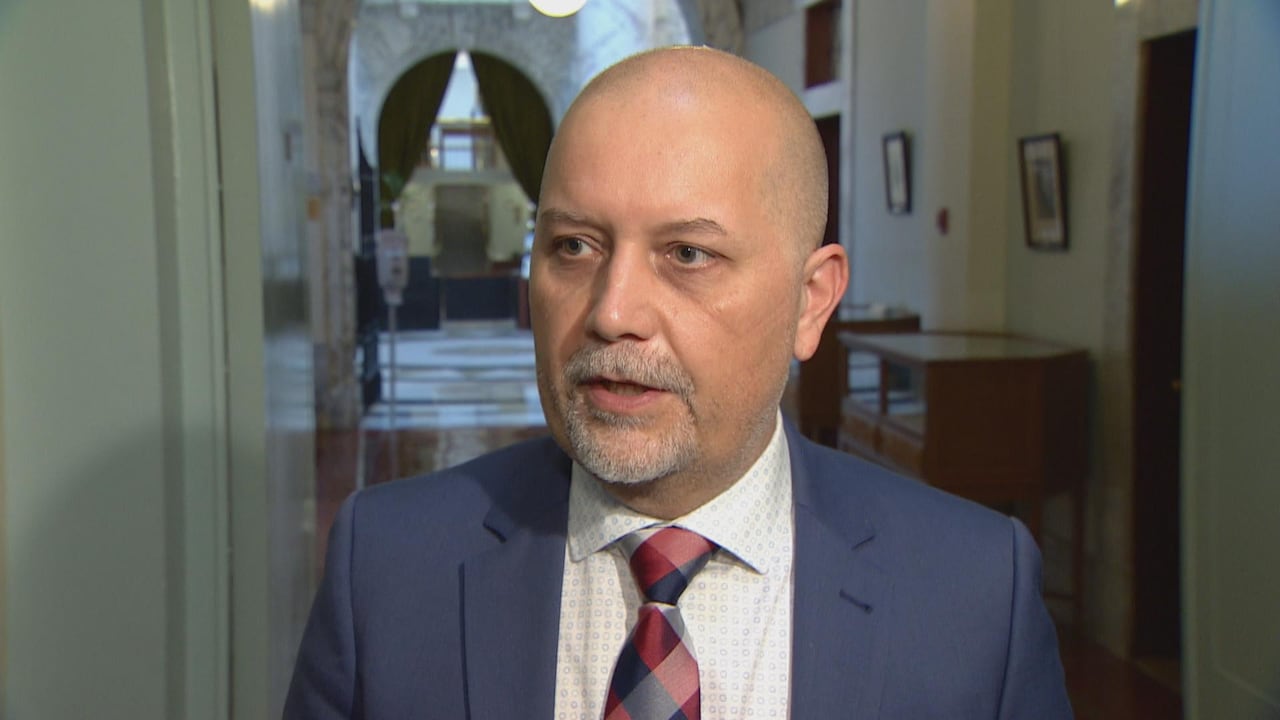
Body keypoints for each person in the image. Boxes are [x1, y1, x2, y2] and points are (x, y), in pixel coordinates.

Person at [284, 46, 1072, 719]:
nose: (612, 311)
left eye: (687, 254)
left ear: (810, 302)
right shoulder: (385, 567)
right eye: (574, 246)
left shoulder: (974, 597)